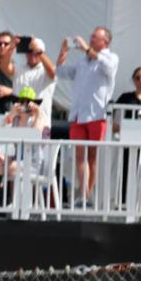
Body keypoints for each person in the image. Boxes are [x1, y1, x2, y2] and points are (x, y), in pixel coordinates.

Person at [55, 28, 119, 206]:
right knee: (79, 155)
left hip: (96, 114)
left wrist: (86, 50)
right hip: (78, 114)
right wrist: (63, 51)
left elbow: (109, 68)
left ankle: (88, 194)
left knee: (92, 156)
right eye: (91, 37)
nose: (90, 39)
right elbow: (60, 72)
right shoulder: (84, 61)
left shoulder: (110, 57)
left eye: (94, 37)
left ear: (104, 42)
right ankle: (83, 194)